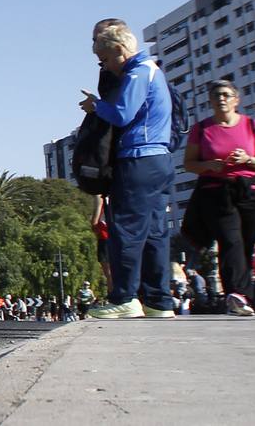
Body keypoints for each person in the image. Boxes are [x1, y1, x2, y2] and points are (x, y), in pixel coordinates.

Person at [82, 21, 177, 320]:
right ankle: (158, 300)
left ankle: (124, 297)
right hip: (160, 158)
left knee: (125, 229)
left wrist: (96, 107)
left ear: (120, 51)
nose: (107, 67)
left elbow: (122, 114)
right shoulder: (154, 70)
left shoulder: (137, 73)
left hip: (138, 157)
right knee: (155, 231)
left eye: (107, 60)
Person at [180, 79, 255, 317]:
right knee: (229, 240)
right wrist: (208, 164)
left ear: (236, 100)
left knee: (245, 241)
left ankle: (243, 295)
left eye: (225, 94)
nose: (221, 99)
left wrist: (247, 160)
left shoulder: (253, 125)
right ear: (210, 102)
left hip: (249, 189)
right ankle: (236, 294)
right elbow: (189, 164)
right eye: (216, 95)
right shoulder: (202, 129)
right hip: (215, 190)